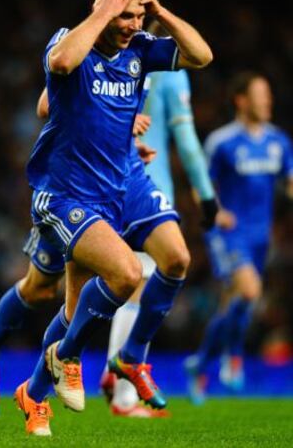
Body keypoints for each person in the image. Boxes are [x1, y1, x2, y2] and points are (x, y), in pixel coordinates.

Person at [0, 0, 212, 435]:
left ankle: (44, 385)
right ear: (102, 2)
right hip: (63, 192)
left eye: (142, 4)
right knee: (54, 287)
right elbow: (55, 76)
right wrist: (104, 14)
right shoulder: (70, 42)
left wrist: (157, 11)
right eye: (127, 7)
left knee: (109, 289)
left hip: (117, 186)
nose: (134, 18)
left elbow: (202, 56)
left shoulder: (142, 48)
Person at [101, 24, 218, 418]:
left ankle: (112, 374)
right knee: (141, 283)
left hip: (105, 182)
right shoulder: (169, 71)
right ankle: (124, 393)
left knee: (125, 278)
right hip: (148, 187)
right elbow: (185, 142)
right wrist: (205, 194)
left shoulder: (112, 62)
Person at [184, 71, 293, 405]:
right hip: (230, 233)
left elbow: (289, 182)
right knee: (249, 291)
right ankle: (233, 358)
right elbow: (200, 182)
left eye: (269, 94)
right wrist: (215, 211)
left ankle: (200, 364)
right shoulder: (222, 142)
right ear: (241, 100)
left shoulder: (279, 141)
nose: (268, 100)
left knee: (236, 304)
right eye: (261, 94)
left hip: (261, 236)